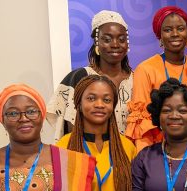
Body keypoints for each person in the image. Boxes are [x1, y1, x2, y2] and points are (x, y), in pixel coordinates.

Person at [125, 6, 187, 148]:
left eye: (180, 28)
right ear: (160, 36)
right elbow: (141, 123)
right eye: (168, 30)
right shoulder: (146, 69)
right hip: (159, 150)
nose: (175, 34)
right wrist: (147, 161)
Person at [47, 10, 133, 139]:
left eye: (121, 39)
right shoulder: (80, 77)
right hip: (87, 155)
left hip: (131, 155)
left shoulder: (137, 79)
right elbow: (69, 127)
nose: (115, 45)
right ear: (96, 42)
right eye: (107, 39)